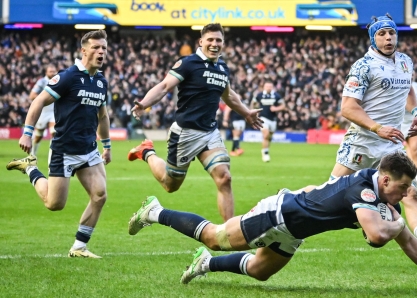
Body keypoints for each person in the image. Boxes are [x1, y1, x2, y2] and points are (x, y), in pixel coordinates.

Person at [127, 151, 417, 287]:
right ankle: (154, 211)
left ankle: (206, 265)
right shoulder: (365, 194)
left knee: (260, 272)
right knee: (214, 236)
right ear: (384, 181)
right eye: (403, 187)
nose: (405, 194)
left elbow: (407, 239)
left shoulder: (378, 192)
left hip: (295, 230)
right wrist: (397, 222)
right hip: (278, 215)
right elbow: (382, 236)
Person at [328, 14, 417, 265]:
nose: (388, 38)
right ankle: (289, 203)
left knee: (409, 193)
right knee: (329, 193)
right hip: (362, 142)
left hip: (391, 145)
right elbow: (347, 108)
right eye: (382, 34)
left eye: (392, 33)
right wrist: (377, 128)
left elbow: (408, 86)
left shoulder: (405, 62)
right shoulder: (363, 66)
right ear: (373, 37)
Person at [127, 23, 263, 222]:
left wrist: (247, 113)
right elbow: (165, 86)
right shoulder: (188, 63)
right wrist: (144, 104)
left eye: (218, 40)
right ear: (201, 42)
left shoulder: (222, 67)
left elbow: (229, 96)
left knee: (224, 178)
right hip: (185, 133)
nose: (214, 44)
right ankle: (146, 152)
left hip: (209, 132)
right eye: (210, 40)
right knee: (170, 184)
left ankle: (229, 232)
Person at [6, 30, 111, 258]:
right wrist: (27, 133)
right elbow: (39, 102)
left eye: (104, 47)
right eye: (96, 47)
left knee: (100, 195)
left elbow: (102, 116)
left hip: (89, 149)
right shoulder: (68, 77)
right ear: (84, 51)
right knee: (54, 204)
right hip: (64, 150)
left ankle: (79, 247)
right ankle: (31, 168)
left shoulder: (101, 82)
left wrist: (108, 145)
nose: (101, 51)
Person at [251, 81, 286, 162]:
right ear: (264, 87)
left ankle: (265, 150)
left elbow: (283, 106)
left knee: (269, 137)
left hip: (273, 119)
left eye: (270, 86)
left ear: (272, 87)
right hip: (263, 118)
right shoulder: (260, 95)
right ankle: (265, 153)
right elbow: (253, 103)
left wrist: (276, 109)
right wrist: (253, 112)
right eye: (267, 86)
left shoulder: (276, 96)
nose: (268, 88)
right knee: (266, 135)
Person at [28, 64, 57, 156]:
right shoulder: (42, 82)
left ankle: (52, 157)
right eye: (50, 72)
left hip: (54, 111)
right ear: (46, 73)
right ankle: (33, 155)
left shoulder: (58, 81)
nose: (53, 73)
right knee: (38, 137)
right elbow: (32, 95)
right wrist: (44, 99)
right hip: (43, 112)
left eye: (54, 71)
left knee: (54, 133)